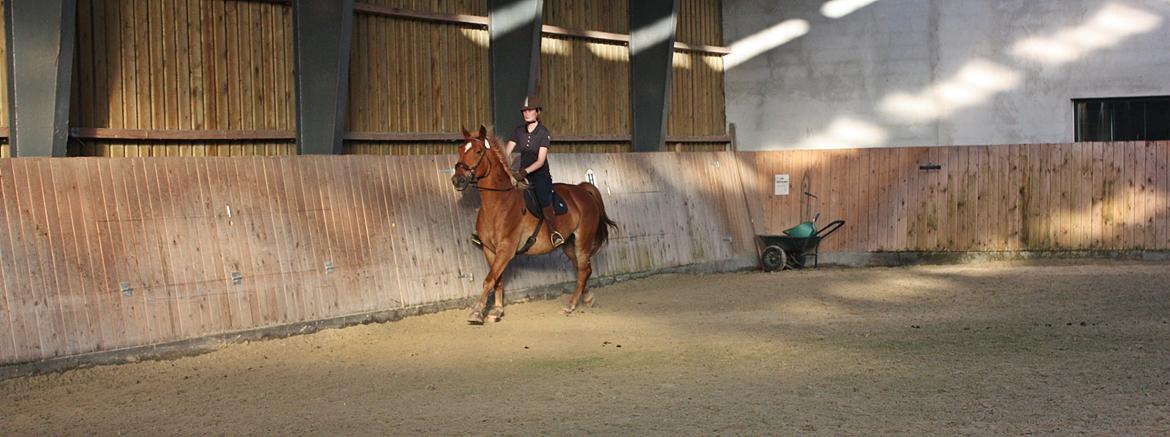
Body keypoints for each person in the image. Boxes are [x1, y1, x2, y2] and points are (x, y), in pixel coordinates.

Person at [505, 95, 564, 247]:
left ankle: (554, 232)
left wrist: (524, 172)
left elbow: (540, 161)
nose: (526, 113)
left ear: (537, 112)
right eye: (524, 111)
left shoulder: (543, 133)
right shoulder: (519, 131)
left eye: (530, 110)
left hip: (539, 175)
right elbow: (507, 152)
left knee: (544, 196)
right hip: (521, 174)